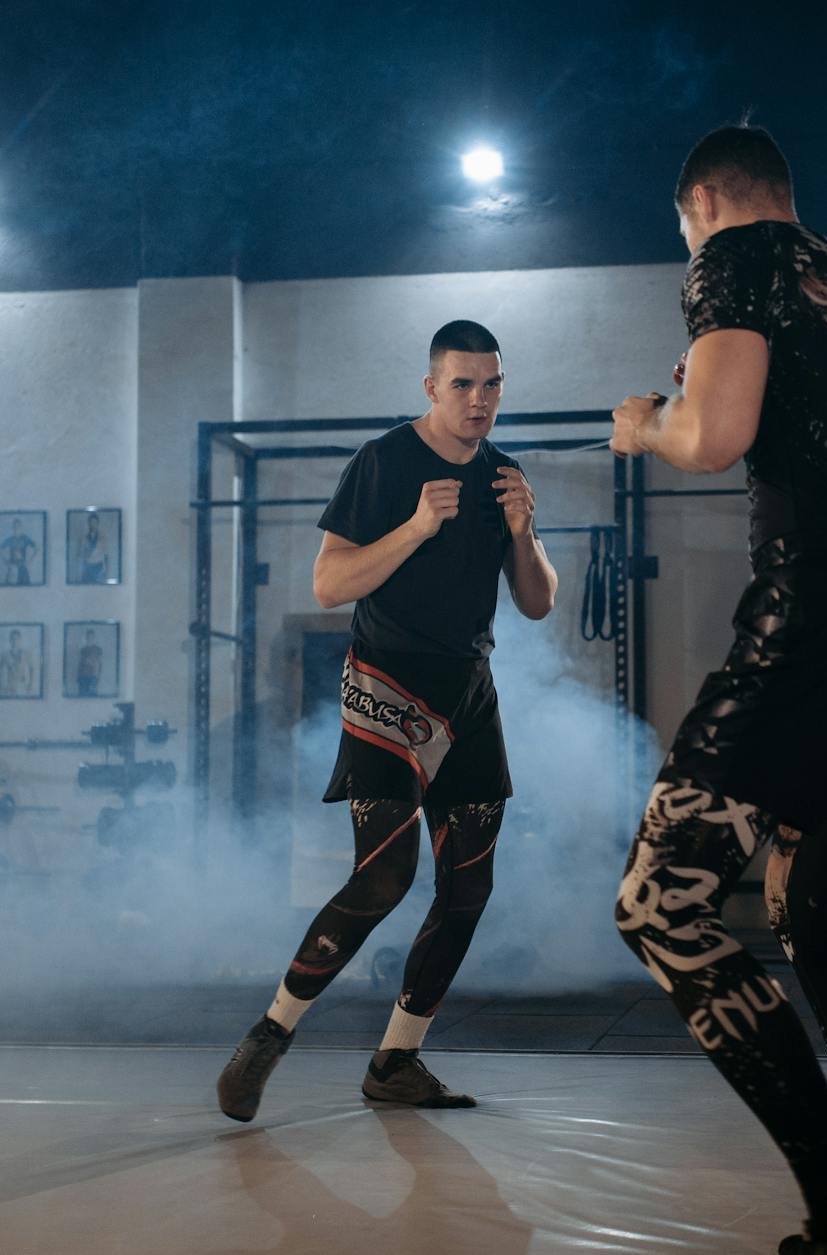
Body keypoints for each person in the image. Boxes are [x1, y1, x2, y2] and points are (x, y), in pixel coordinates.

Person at [609, 126, 827, 1255]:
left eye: (684, 225)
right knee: (815, 925)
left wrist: (646, 428)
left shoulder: (733, 259)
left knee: (659, 904)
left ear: (703, 199)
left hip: (817, 617)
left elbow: (712, 437)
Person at [216, 319, 558, 1118]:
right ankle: (271, 1031)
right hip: (387, 683)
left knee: (470, 886)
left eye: (493, 384)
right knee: (387, 874)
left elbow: (537, 603)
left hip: (468, 690)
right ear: (431, 386)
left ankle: (397, 1058)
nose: (480, 400)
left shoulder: (505, 473)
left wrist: (525, 531)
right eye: (464, 384)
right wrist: (414, 526)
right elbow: (331, 585)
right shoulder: (384, 461)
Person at [0, 628, 34, 696]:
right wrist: (1, 685)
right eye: (12, 639)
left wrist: (30, 684)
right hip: (9, 685)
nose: (14, 641)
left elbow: (32, 669)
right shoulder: (5, 654)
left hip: (23, 685)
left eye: (16, 639)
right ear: (10, 640)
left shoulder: (26, 654)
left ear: (20, 640)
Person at [0, 518, 38, 586]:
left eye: (18, 526)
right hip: (12, 568)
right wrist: (5, 561)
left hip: (22, 567)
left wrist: (30, 561)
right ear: (12, 528)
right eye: (14, 527)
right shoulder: (10, 539)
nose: (16, 528)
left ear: (21, 527)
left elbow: (36, 548)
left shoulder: (25, 538)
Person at [78, 514, 109, 583]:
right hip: (87, 566)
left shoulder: (103, 537)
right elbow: (81, 554)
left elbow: (106, 553)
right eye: (91, 522)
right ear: (89, 523)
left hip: (98, 566)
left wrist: (106, 570)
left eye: (95, 522)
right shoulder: (84, 538)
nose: (93, 524)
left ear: (98, 523)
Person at [75, 628, 103, 696]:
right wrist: (78, 675)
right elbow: (80, 663)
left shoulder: (98, 649)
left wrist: (97, 676)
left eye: (91, 636)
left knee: (92, 695)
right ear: (86, 637)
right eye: (88, 636)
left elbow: (99, 663)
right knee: (82, 695)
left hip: (93, 676)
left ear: (94, 637)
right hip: (83, 676)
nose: (90, 638)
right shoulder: (83, 649)